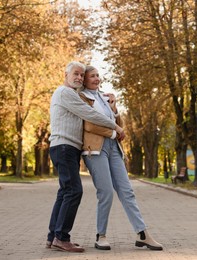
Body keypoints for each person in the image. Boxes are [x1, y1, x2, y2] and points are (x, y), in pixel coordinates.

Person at [79, 65, 163, 251]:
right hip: (95, 149)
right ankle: (101, 235)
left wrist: (115, 108)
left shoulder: (104, 97)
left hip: (114, 148)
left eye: (98, 75)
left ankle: (142, 234)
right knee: (106, 192)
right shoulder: (83, 98)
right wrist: (113, 131)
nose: (97, 79)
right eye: (92, 76)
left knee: (127, 191)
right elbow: (89, 125)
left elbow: (119, 124)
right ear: (84, 80)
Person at [46, 61, 125, 253]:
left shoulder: (72, 93)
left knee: (65, 192)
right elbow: (89, 114)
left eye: (82, 75)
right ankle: (61, 238)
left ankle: (52, 236)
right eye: (76, 74)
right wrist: (114, 126)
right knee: (74, 191)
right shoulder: (65, 93)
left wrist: (110, 104)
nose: (79, 78)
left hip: (67, 147)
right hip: (63, 146)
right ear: (65, 74)